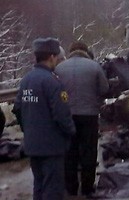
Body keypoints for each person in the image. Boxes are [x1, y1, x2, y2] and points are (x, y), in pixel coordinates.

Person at [12, 37, 76, 200]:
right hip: (52, 146)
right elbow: (61, 114)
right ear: (52, 57)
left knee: (39, 186)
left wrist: (29, 129)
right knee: (53, 189)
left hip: (33, 145)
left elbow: (17, 108)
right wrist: (70, 132)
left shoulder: (26, 79)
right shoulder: (53, 82)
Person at [55, 41, 109, 196]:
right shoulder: (94, 66)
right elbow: (104, 89)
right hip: (89, 115)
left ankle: (71, 187)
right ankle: (87, 188)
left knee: (69, 152)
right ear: (86, 51)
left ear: (70, 52)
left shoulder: (59, 68)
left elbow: (54, 91)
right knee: (89, 151)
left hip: (67, 116)